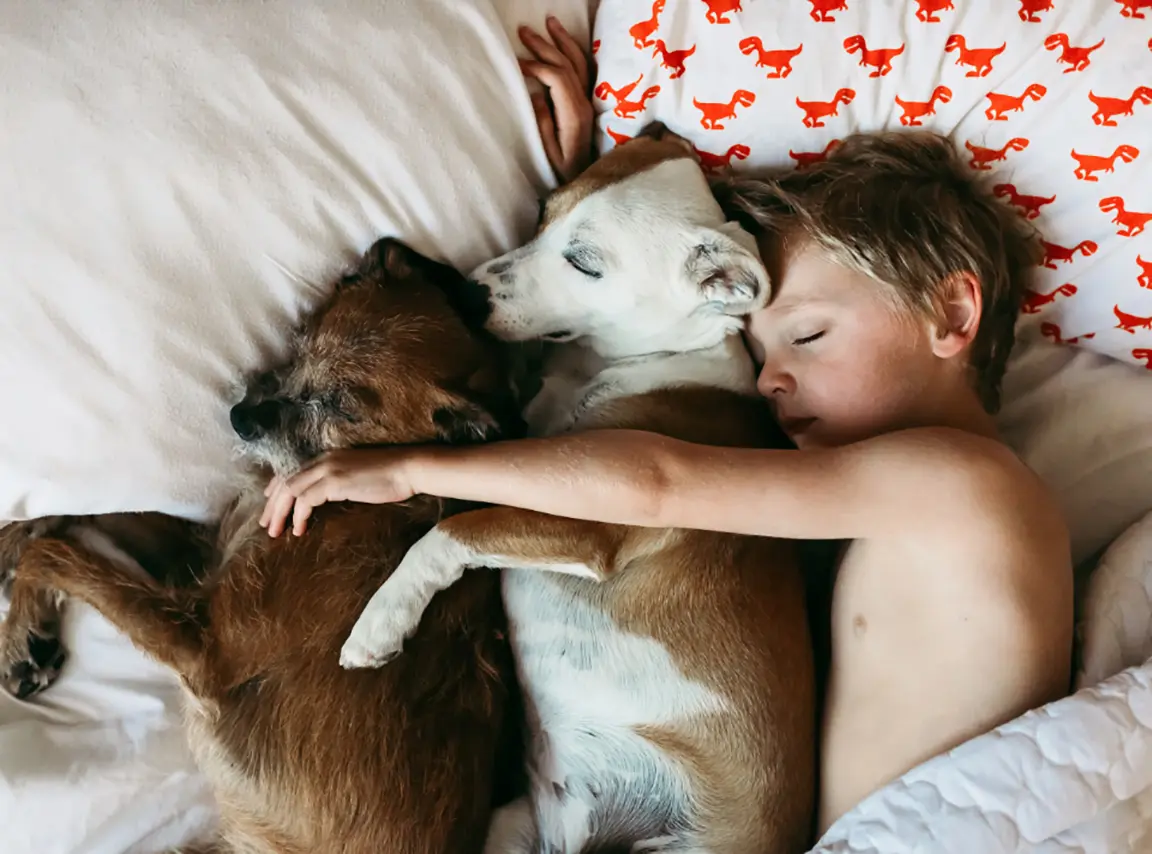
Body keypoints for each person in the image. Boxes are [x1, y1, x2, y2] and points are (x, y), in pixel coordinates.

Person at [260, 17, 1074, 834]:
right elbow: (656, 308)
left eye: (810, 335)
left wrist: (412, 470)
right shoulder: (886, 502)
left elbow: (658, 484)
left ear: (951, 311)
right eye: (756, 348)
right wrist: (594, 187)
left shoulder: (969, 485)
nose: (769, 377)